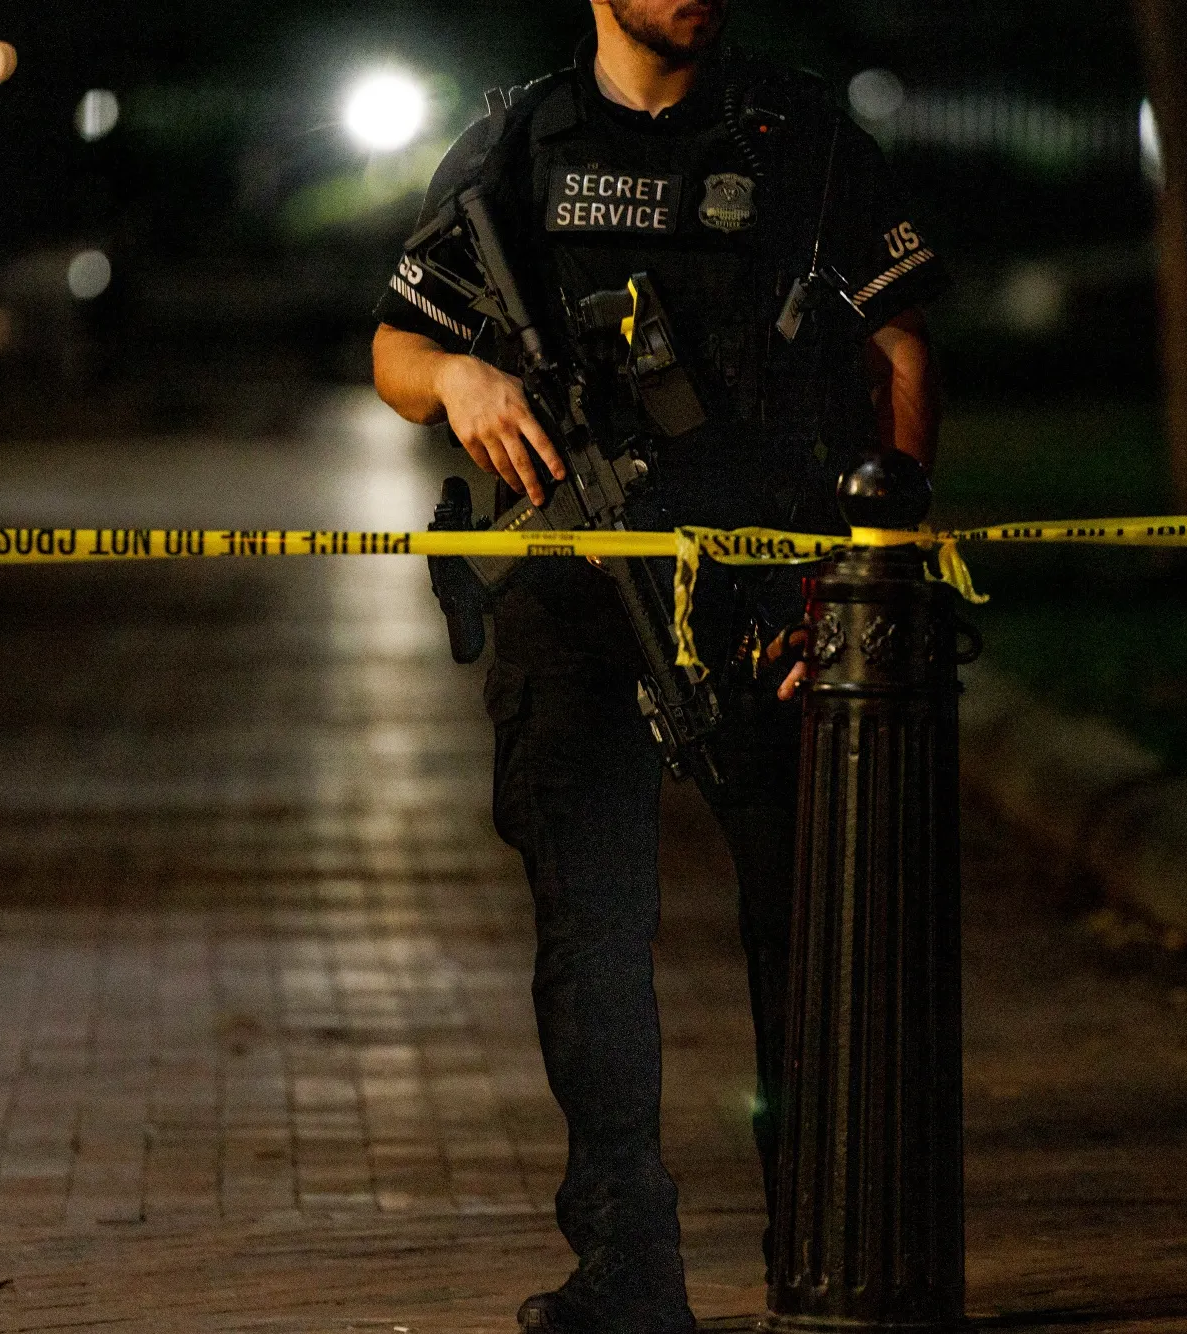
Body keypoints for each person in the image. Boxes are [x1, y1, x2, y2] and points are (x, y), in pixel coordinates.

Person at [370, 2, 946, 1330]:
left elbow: (900, 337)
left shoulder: (800, 135)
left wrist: (870, 576)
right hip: (576, 608)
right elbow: (394, 345)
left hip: (779, 597)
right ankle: (626, 1261)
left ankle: (831, 1246)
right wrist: (461, 382)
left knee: (814, 940)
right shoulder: (515, 144)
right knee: (592, 940)